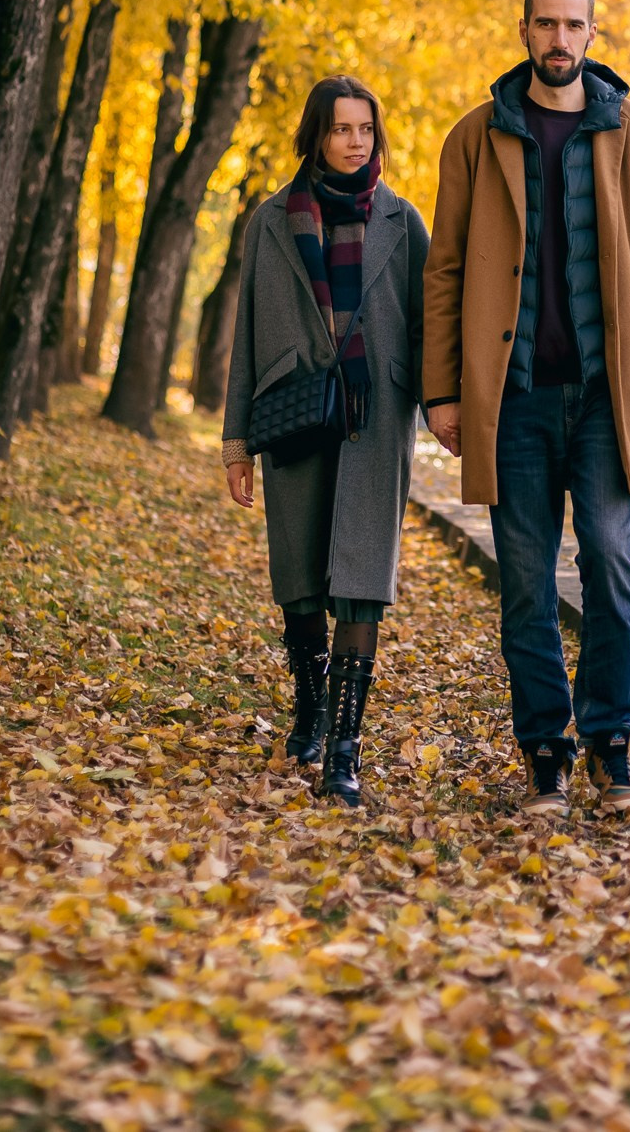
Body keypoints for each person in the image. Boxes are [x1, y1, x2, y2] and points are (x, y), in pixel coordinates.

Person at [425, 0, 630, 818]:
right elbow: (445, 271)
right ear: (524, 29)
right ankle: (547, 752)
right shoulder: (476, 137)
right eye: (545, 22)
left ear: (591, 32)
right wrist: (442, 392)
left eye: (572, 24)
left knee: (612, 563)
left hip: (609, 399)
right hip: (510, 400)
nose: (558, 39)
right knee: (526, 583)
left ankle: (613, 748)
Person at [222, 75, 428, 807]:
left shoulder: (403, 221)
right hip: (295, 411)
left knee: (361, 585)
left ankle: (345, 746)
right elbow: (246, 332)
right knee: (302, 581)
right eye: (341, 129)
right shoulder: (271, 220)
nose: (354, 142)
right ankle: (308, 707)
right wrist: (236, 440)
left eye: (365, 129)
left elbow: (430, 322)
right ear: (316, 134)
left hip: (376, 420)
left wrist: (450, 410)